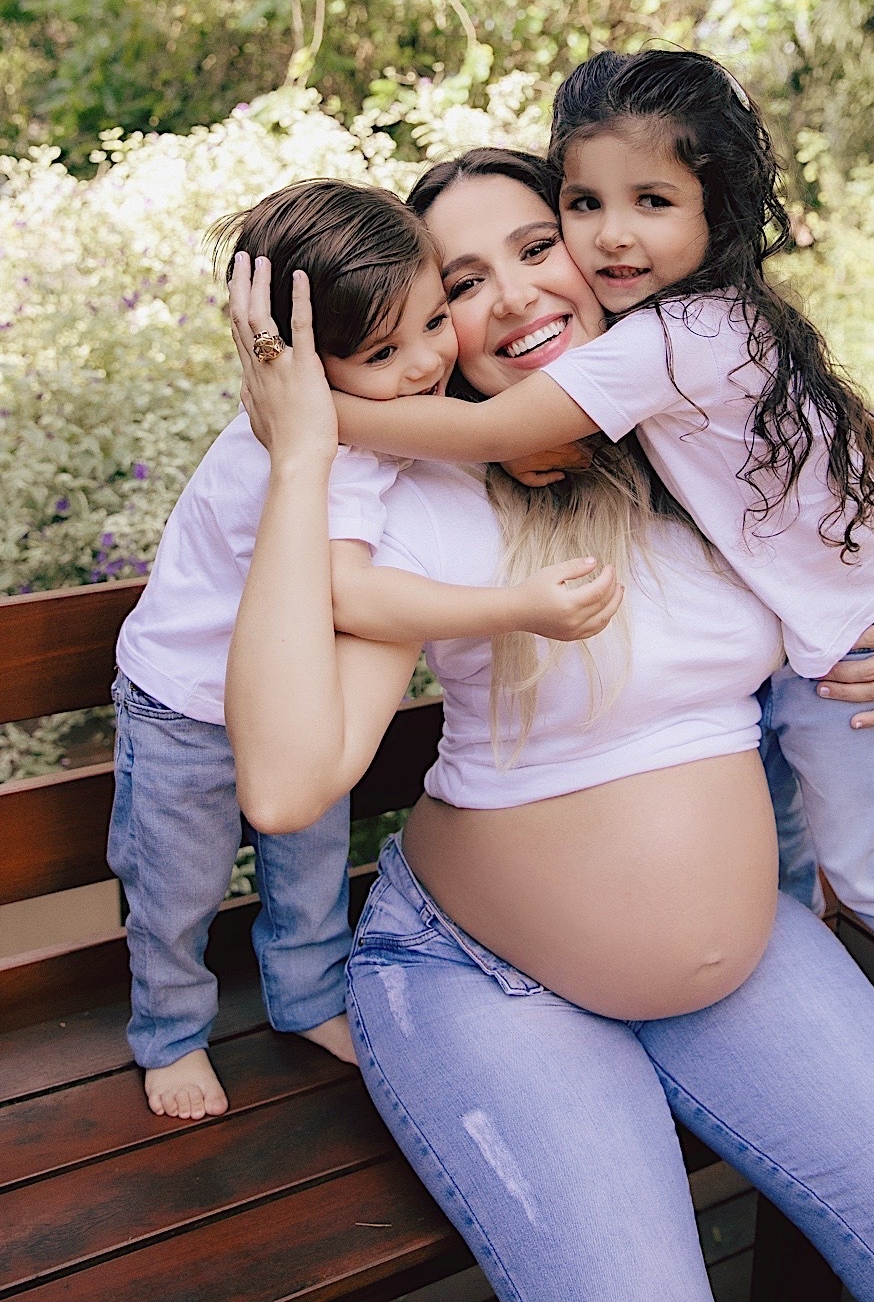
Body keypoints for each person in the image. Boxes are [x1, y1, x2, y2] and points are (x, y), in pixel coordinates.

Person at [223, 156, 874, 1302]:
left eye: (532, 246)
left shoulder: (705, 445)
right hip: (486, 981)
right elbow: (280, 785)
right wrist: (306, 451)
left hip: (744, 963)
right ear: (427, 331)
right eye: (460, 284)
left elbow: (843, 550)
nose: (512, 297)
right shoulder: (414, 493)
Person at [323, 56, 874, 1095]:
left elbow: (822, 508)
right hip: (507, 977)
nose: (610, 237)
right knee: (801, 821)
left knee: (859, 849)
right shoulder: (656, 366)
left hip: (834, 678)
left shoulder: (673, 349)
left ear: (711, 210)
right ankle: (817, 931)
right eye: (585, 205)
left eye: (644, 204)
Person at [110, 178, 620, 1122]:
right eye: (384, 353)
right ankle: (170, 1033)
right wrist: (514, 604)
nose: (428, 362)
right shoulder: (315, 449)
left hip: (297, 710)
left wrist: (500, 450)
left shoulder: (364, 421)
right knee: (172, 888)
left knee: (307, 870)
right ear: (303, 364)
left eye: (434, 320)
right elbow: (346, 591)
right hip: (182, 704)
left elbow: (443, 435)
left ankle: (304, 1001)